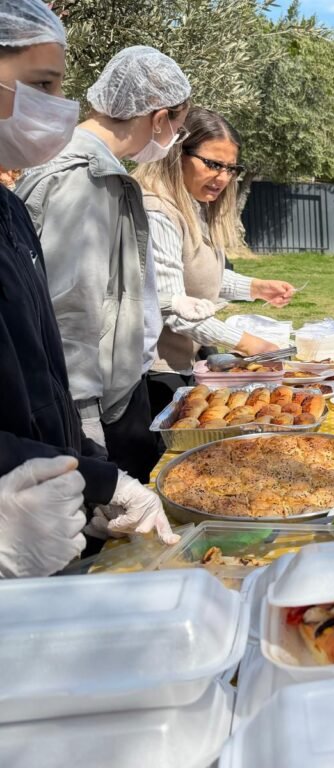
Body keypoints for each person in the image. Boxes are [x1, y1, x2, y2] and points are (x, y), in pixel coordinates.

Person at [0, 0, 178, 571]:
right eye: (42, 85)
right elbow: (74, 323)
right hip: (58, 444)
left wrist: (89, 470)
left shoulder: (21, 204)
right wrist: (90, 453)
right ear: (158, 117)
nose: (58, 106)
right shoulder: (81, 183)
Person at [16, 45, 190, 482]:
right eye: (178, 128)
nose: (171, 141)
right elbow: (70, 312)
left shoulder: (95, 171)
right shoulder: (82, 179)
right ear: (159, 117)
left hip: (115, 389)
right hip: (96, 409)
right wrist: (87, 433)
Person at [133, 106, 294, 417]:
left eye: (231, 168)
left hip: (189, 362)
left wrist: (255, 287)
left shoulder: (195, 203)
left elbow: (200, 275)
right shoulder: (158, 211)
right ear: (177, 153)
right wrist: (247, 344)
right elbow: (172, 308)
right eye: (212, 164)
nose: (222, 178)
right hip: (156, 373)